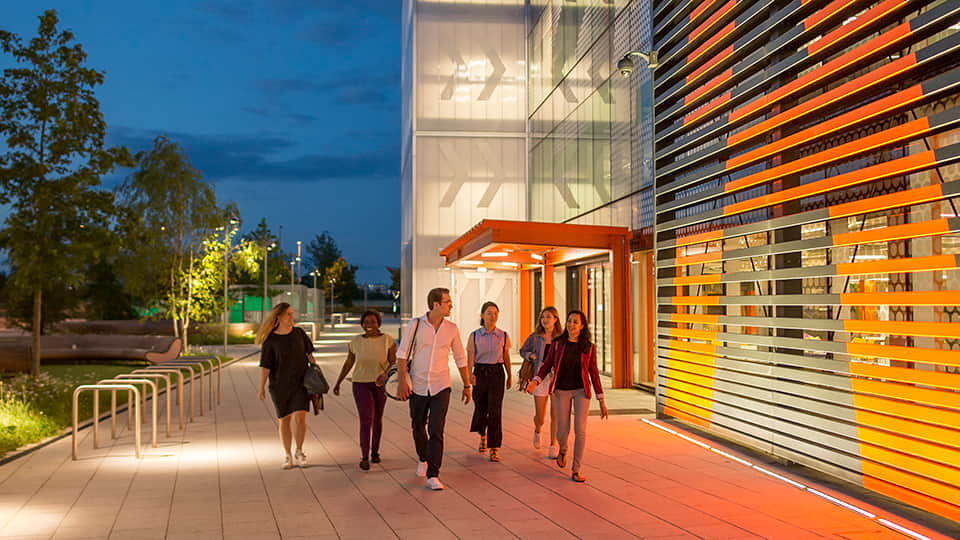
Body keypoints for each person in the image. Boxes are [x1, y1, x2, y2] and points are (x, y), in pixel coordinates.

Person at [396, 287, 471, 490]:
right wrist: (403, 380)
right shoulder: (416, 324)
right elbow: (402, 354)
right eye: (447, 302)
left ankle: (433, 474)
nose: (451, 305)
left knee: (436, 429)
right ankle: (423, 457)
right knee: (418, 426)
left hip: (441, 385)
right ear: (436, 304)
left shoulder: (452, 328)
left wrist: (467, 384)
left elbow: (460, 357)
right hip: (418, 384)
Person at [525, 310, 608, 482]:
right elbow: (546, 365)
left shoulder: (588, 347)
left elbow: (594, 373)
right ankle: (563, 448)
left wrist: (601, 400)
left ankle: (576, 469)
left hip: (581, 391)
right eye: (569, 321)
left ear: (582, 326)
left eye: (575, 322)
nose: (571, 324)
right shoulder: (558, 344)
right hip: (561, 390)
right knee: (562, 430)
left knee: (581, 430)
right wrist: (536, 381)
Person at [256, 302, 318, 470]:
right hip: (279, 385)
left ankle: (299, 451)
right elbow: (265, 366)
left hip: (301, 383)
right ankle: (287, 455)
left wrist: (317, 374)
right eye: (288, 314)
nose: (292, 317)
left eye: (292, 313)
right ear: (279, 317)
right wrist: (261, 387)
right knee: (284, 419)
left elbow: (310, 355)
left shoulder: (299, 333)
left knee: (300, 417)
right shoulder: (270, 340)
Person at [333, 309, 396, 471]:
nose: (369, 325)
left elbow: (393, 363)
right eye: (366, 322)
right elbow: (349, 363)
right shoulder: (355, 342)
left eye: (373, 322)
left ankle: (375, 452)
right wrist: (338, 382)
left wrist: (385, 375)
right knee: (366, 419)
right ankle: (364, 457)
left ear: (378, 324)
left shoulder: (387, 340)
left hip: (380, 385)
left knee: (377, 418)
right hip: (360, 383)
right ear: (362, 324)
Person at [467, 301, 512, 462]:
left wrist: (509, 375)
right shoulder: (475, 335)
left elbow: (506, 356)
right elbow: (470, 357)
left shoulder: (503, 335)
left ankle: (494, 447)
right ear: (482, 315)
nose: (493, 316)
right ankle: (483, 435)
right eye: (489, 313)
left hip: (497, 373)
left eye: (495, 313)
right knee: (481, 408)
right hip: (480, 372)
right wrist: (470, 374)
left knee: (495, 410)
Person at [518, 306, 563, 457]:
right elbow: (523, 350)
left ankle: (553, 444)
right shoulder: (535, 336)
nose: (545, 320)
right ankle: (538, 430)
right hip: (540, 377)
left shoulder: (562, 337)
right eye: (543, 317)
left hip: (557, 377)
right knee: (540, 415)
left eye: (549, 317)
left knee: (556, 413)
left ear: (555, 319)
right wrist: (531, 356)